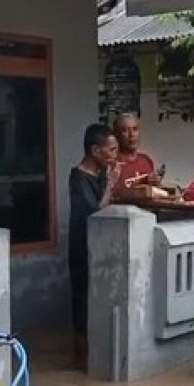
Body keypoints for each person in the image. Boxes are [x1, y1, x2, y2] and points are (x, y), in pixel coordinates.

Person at [68, 124, 121, 370]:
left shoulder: (99, 175)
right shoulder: (78, 177)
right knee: (82, 298)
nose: (114, 155)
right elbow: (96, 214)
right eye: (110, 150)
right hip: (82, 245)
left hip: (99, 250)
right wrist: (110, 185)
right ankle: (81, 355)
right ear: (95, 150)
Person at [112, 112, 161, 191]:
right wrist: (141, 181)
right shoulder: (112, 161)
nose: (131, 134)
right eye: (125, 130)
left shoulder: (146, 160)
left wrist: (156, 183)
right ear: (116, 135)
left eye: (135, 129)